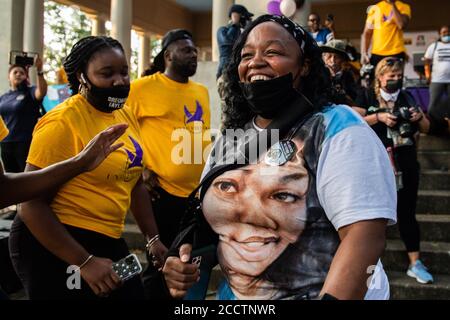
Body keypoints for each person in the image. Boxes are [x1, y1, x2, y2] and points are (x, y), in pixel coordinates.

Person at [162, 15, 397, 300]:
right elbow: (210, 226)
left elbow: (364, 236)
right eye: (246, 55)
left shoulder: (337, 128)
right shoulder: (227, 141)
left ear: (305, 66)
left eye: (272, 52)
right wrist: (183, 262)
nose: (256, 62)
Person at [8, 36, 167, 300]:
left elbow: (135, 182)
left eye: (124, 72)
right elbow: (29, 205)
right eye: (107, 74)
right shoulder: (61, 122)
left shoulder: (124, 114)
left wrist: (152, 239)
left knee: (134, 293)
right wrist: (84, 262)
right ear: (82, 76)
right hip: (54, 243)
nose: (120, 81)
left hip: (109, 239)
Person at [126, 29, 210, 297]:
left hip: (194, 196)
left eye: (195, 50)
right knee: (159, 264)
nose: (194, 55)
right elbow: (119, 128)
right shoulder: (142, 88)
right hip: (160, 194)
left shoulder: (201, 91)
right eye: (187, 50)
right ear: (168, 55)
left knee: (183, 262)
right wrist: (140, 168)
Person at [355, 57, 434, 284]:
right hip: (376, 166)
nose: (396, 80)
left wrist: (419, 118)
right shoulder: (368, 96)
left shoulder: (408, 97)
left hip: (406, 164)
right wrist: (378, 116)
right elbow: (352, 116)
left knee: (407, 213)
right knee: (373, 218)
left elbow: (427, 127)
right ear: (380, 77)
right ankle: (368, 267)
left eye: (399, 77)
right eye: (391, 77)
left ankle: (415, 263)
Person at [0, 57, 48, 173]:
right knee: (9, 177)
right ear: (9, 77)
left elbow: (41, 92)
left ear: (26, 77)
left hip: (25, 143)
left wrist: (39, 71)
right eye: (15, 72)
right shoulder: (3, 97)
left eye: (22, 73)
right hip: (6, 144)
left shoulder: (30, 92)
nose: (18, 74)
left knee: (26, 177)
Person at [362, 0, 411, 68]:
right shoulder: (375, 8)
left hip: (396, 52)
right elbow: (367, 32)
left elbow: (401, 24)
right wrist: (365, 53)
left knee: (395, 77)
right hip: (377, 53)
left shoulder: (404, 6)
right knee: (376, 78)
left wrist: (393, 4)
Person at [216, 4, 254, 80]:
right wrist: (235, 24)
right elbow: (228, 42)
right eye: (244, 17)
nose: (246, 20)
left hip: (240, 71)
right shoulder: (222, 30)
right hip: (226, 72)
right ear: (236, 16)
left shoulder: (242, 33)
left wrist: (250, 28)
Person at [321, 39, 361, 108]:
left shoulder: (349, 75)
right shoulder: (319, 74)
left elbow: (355, 100)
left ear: (342, 59)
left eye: (336, 57)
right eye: (329, 56)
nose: (332, 60)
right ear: (323, 57)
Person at [424, 25, 450, 119]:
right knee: (433, 103)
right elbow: (426, 61)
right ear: (439, 34)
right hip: (437, 80)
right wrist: (427, 75)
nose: (446, 34)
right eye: (444, 32)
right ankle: (431, 123)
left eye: (447, 32)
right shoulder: (434, 46)